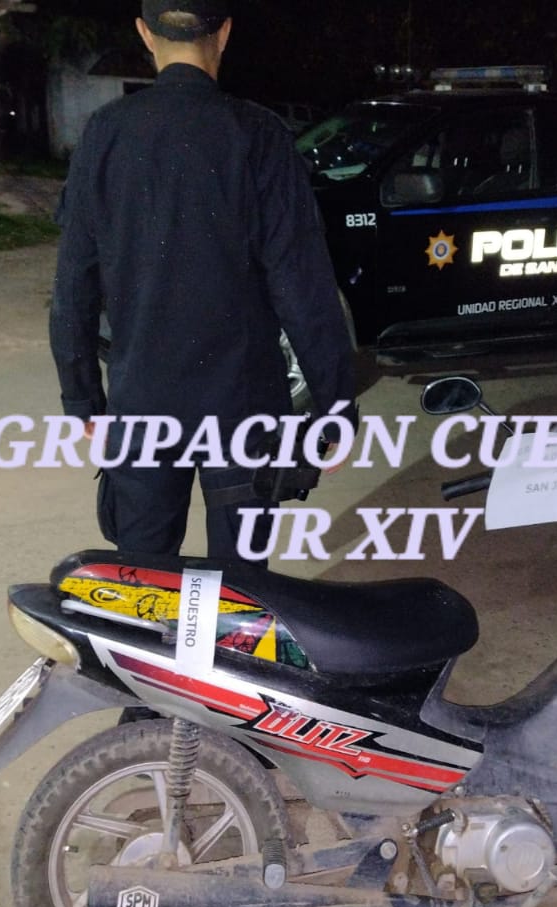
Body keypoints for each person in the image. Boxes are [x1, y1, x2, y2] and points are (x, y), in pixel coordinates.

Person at [49, 0, 355, 561]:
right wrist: (336, 409)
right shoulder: (259, 135)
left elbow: (74, 284)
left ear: (146, 34)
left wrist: (83, 398)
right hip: (244, 407)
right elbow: (303, 287)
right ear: (225, 33)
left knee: (143, 576)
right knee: (241, 584)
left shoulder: (106, 134)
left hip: (144, 403)